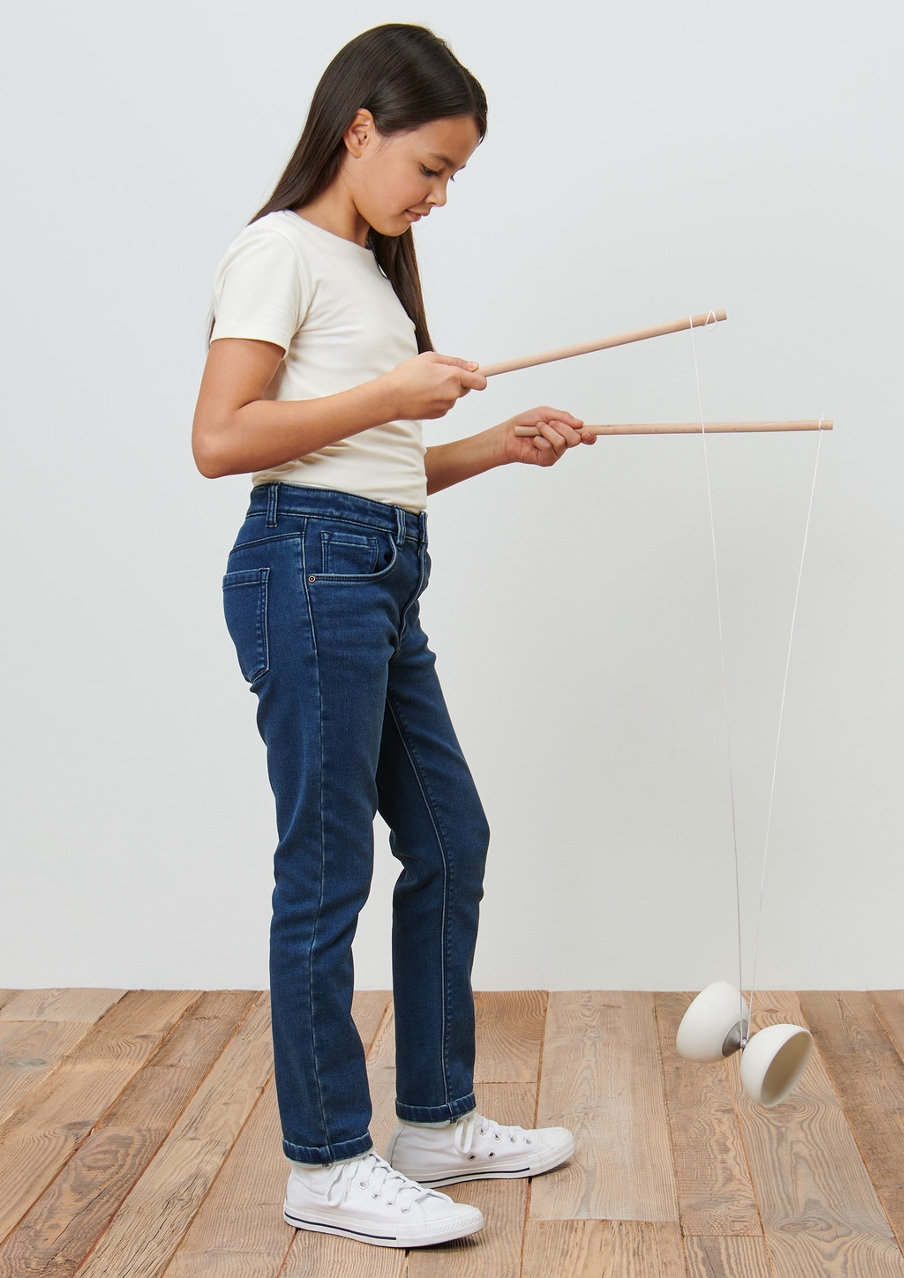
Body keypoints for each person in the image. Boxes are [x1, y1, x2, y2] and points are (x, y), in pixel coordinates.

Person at [191, 23, 594, 1250]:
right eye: (430, 166)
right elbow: (223, 440)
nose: (439, 193)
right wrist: (393, 393)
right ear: (357, 128)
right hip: (307, 571)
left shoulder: (370, 268)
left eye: (455, 176)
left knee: (449, 836)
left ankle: (431, 1121)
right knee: (325, 870)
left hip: (371, 568)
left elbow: (378, 467)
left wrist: (491, 444)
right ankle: (323, 1160)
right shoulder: (279, 251)